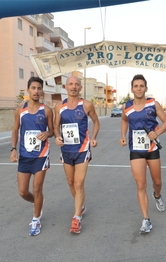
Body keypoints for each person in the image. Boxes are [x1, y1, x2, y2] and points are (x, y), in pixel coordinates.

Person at [119, 74, 166, 234]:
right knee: (141, 185)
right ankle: (146, 219)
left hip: (152, 148)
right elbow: (125, 120)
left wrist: (157, 133)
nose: (139, 88)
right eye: (136, 86)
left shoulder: (153, 104)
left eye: (141, 86)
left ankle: (157, 195)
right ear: (132, 89)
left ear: (146, 88)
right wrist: (123, 135)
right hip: (136, 150)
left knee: (157, 181)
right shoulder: (126, 106)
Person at [54, 76, 100, 234]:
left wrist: (93, 138)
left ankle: (76, 218)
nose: (73, 87)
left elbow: (96, 122)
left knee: (79, 184)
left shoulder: (87, 105)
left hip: (82, 149)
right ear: (66, 87)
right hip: (66, 150)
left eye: (76, 85)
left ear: (80, 88)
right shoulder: (59, 106)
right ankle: (80, 206)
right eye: (71, 84)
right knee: (70, 182)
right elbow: (55, 126)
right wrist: (57, 137)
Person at [10, 77, 54, 236]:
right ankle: (38, 203)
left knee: (37, 188)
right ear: (28, 90)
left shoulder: (47, 110)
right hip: (24, 155)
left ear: (42, 91)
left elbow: (53, 131)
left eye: (39, 88)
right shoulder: (20, 110)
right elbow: (15, 131)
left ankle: (36, 219)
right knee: (22, 192)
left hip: (41, 156)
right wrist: (13, 149)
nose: (36, 91)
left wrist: (47, 133)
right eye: (33, 88)